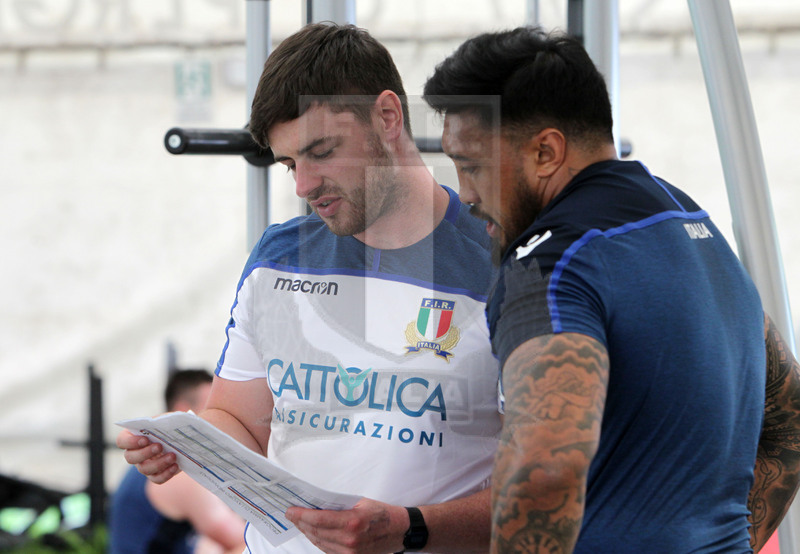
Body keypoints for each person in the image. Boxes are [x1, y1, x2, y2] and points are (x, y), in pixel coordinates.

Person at [118, 23, 502, 554]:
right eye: (290, 163)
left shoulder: (504, 264)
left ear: (387, 118)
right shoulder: (277, 258)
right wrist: (187, 448)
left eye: (321, 151)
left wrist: (409, 527)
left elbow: (553, 491)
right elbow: (239, 418)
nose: (303, 185)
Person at [422, 26, 800, 554]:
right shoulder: (688, 220)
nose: (465, 194)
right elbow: (789, 416)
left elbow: (545, 468)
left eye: (473, 166)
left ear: (546, 151)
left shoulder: (546, 264)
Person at [109, 369, 246, 554]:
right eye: (211, 411)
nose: (222, 419)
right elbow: (245, 542)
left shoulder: (154, 460)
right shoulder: (177, 467)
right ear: (183, 412)